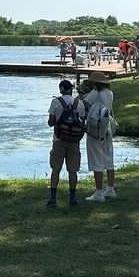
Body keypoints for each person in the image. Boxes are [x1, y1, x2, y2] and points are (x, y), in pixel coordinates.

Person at [47, 79, 86, 207]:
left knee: (56, 169)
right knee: (73, 170)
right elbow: (82, 121)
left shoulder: (55, 102)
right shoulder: (79, 103)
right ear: (71, 89)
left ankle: (53, 198)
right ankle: (72, 198)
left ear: (61, 89)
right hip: (74, 141)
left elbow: (51, 122)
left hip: (59, 140)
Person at [83, 72, 116, 202]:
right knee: (108, 158)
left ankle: (99, 192)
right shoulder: (109, 93)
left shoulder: (96, 93)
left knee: (96, 158)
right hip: (106, 127)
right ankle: (110, 188)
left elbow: (84, 104)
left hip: (95, 129)